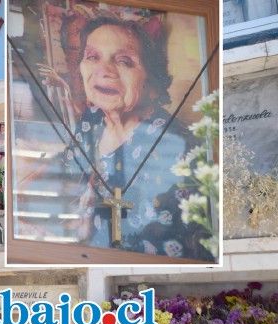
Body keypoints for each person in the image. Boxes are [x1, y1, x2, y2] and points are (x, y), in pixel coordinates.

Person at [40, 16, 213, 261]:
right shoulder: (93, 117)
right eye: (92, 57)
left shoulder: (178, 147)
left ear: (152, 83)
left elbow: (185, 247)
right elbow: (69, 169)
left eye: (124, 61)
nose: (104, 71)